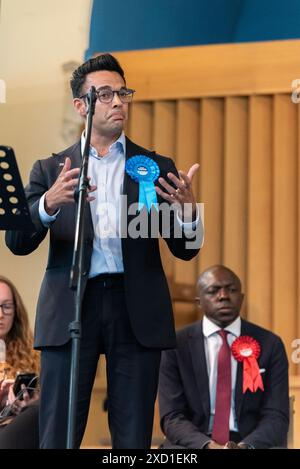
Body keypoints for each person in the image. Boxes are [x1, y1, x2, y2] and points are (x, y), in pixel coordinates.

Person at [5, 53, 203, 448]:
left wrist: (187, 215)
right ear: (81, 105)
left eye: (122, 93)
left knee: (132, 437)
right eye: (106, 94)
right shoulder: (51, 169)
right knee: (59, 432)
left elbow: (185, 251)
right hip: (72, 306)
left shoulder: (155, 166)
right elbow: (17, 242)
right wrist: (47, 204)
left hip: (136, 308)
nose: (118, 102)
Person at [159, 265, 289, 449]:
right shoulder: (174, 346)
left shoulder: (270, 344)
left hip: (251, 441)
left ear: (242, 298)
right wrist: (208, 446)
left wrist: (245, 446)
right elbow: (172, 416)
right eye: (213, 291)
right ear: (199, 302)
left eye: (231, 290)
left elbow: (276, 416)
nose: (223, 296)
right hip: (194, 443)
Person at [0, 275, 40, 449]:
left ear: (16, 311)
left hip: (20, 426)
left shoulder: (31, 353)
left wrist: (31, 401)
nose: (0, 314)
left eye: (6, 307)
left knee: (41, 410)